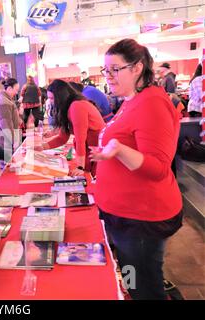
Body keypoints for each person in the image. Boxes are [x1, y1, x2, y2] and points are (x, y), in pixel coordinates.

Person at [90, 38, 183, 300]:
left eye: (114, 70)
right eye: (105, 70)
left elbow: (158, 167)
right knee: (133, 278)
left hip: (141, 218)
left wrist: (118, 149)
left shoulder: (152, 102)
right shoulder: (132, 100)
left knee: (144, 287)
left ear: (137, 68)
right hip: (125, 216)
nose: (108, 76)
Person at [41, 80, 105, 176]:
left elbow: (80, 139)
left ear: (60, 97)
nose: (51, 101)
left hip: (95, 147)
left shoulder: (76, 106)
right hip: (89, 148)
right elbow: (62, 138)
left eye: (52, 98)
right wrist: (41, 147)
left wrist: (80, 167)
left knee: (94, 177)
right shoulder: (68, 107)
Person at [0, 78, 22, 166]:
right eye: (16, 90)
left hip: (5, 139)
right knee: (7, 168)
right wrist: (13, 141)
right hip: (5, 140)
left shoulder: (6, 99)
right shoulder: (3, 102)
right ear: (9, 89)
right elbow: (6, 125)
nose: (16, 92)